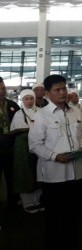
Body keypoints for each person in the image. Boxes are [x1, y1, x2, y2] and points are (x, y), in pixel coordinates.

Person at [28, 74, 82, 250]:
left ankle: (71, 249)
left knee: (73, 215)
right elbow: (35, 145)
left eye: (64, 88)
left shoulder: (75, 112)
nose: (63, 92)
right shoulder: (42, 115)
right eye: (57, 90)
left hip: (75, 173)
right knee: (54, 218)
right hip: (54, 175)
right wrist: (55, 156)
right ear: (47, 94)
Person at [10, 89, 42, 213]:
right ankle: (27, 202)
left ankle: (37, 201)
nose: (29, 101)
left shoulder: (41, 112)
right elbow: (17, 131)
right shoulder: (19, 114)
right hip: (23, 148)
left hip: (39, 147)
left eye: (31, 98)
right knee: (25, 173)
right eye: (26, 99)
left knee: (38, 173)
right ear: (22, 100)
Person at [0, 76, 21, 208]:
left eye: (2, 88)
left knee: (11, 177)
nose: (1, 91)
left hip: (10, 148)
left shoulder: (13, 105)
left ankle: (12, 203)